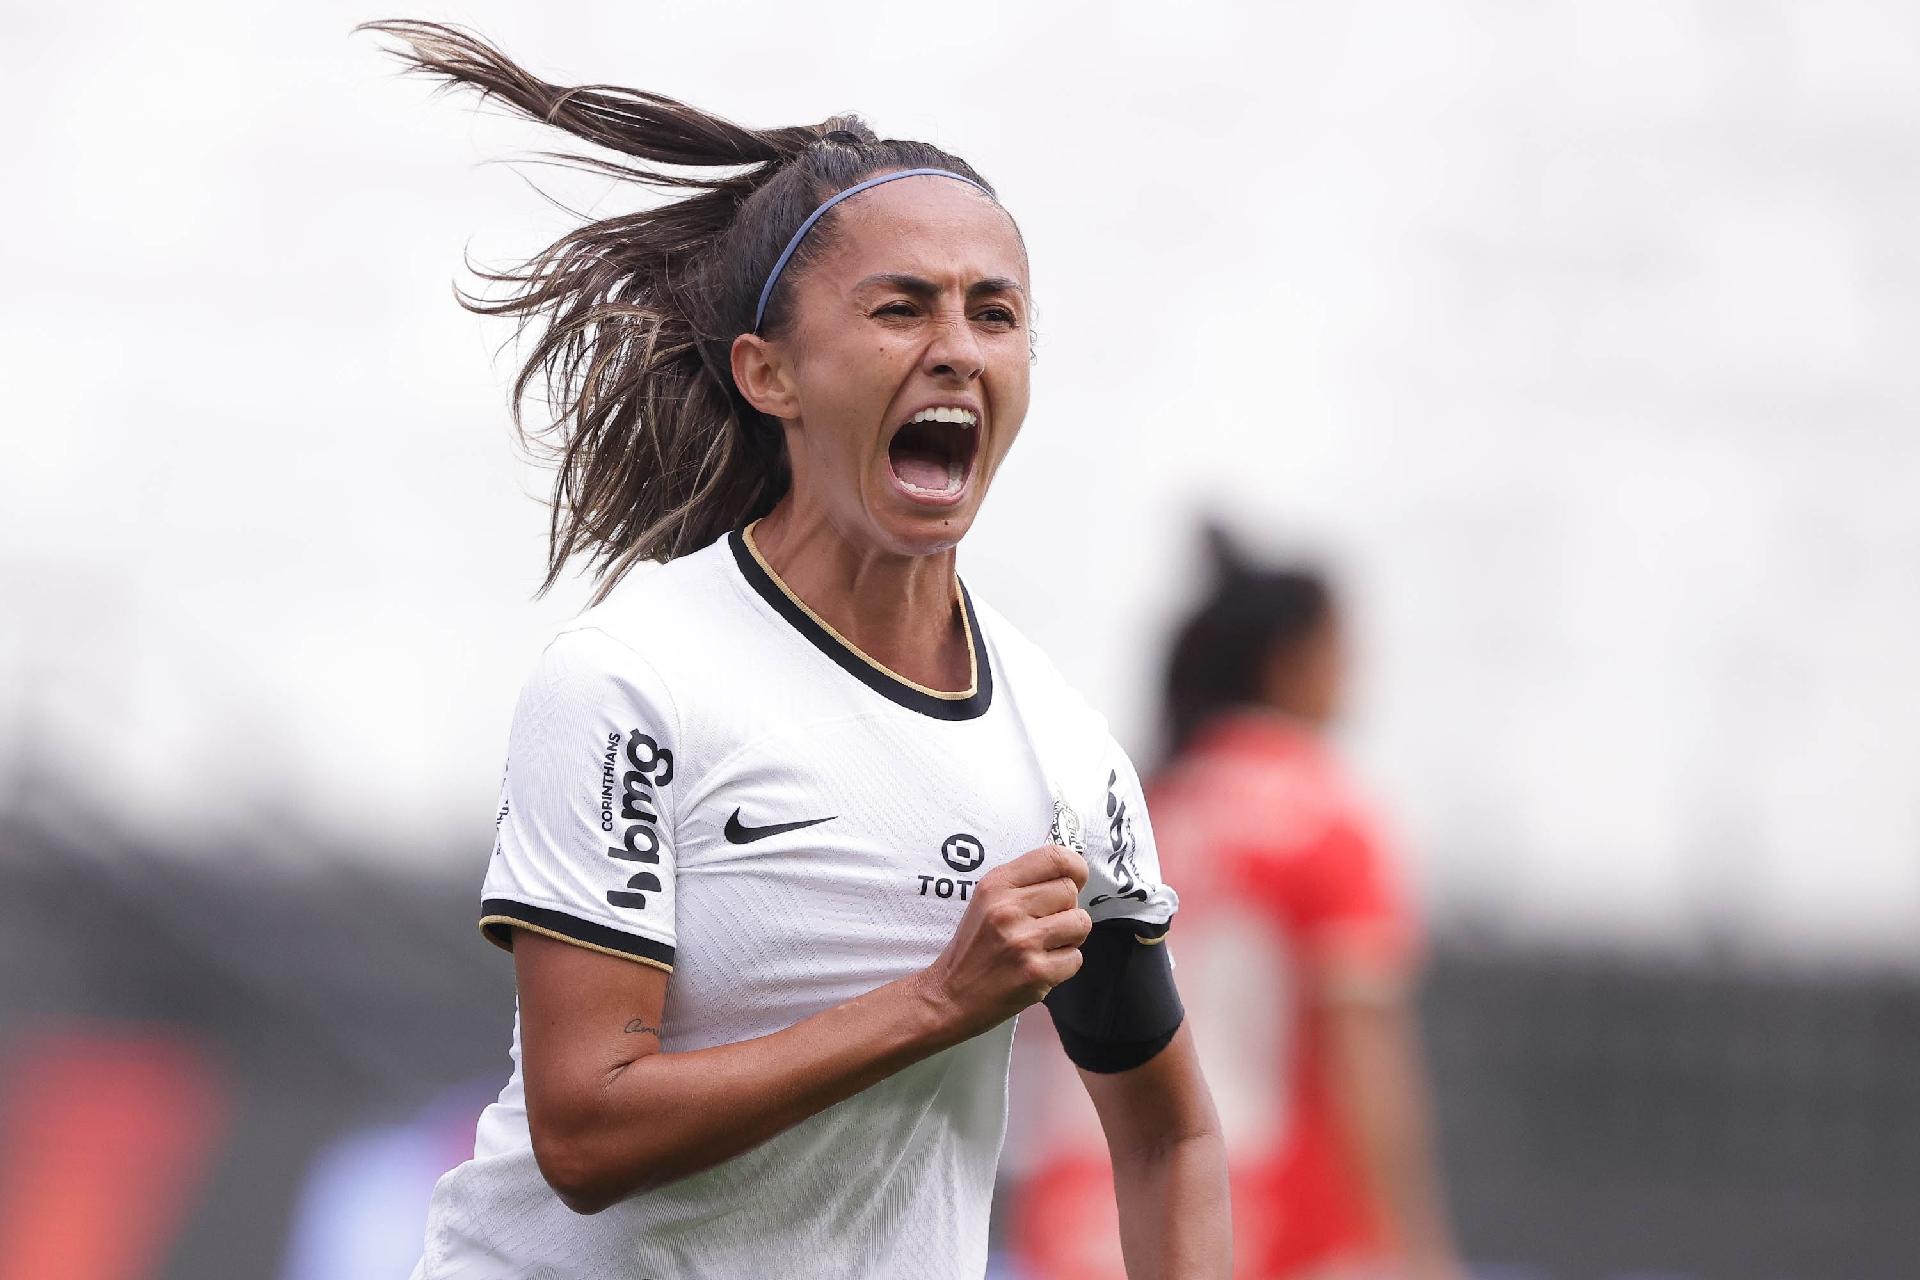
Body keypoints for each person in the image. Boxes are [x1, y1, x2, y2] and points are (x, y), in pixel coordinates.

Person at [361, 22, 1230, 1280]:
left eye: (996, 313)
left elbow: (1172, 1139)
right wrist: (936, 1001)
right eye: (901, 307)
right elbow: (586, 1126)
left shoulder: (1066, 759)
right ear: (769, 372)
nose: (957, 347)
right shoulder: (634, 680)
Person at [1012, 528, 1462, 1280]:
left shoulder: (1132, 812)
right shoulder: (1327, 817)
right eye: (1342, 654)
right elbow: (1364, 1051)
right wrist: (1416, 1249)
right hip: (1261, 1229)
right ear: (1289, 664)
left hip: (1088, 1219)